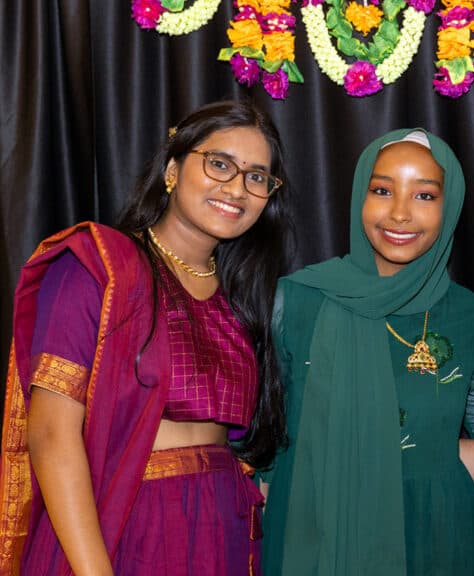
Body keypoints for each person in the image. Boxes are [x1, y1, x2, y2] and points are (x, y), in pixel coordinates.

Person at [0, 100, 290, 575]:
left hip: (227, 534)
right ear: (173, 169)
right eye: (219, 164)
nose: (236, 188)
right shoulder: (99, 267)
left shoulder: (241, 301)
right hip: (127, 528)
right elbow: (52, 434)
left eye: (256, 177)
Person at [261, 129, 474, 575]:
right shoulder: (297, 300)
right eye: (382, 190)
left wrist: (447, 450)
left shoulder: (473, 315)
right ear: (358, 195)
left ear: (451, 207)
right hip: (318, 527)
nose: (400, 213)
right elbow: (268, 430)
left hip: (435, 533)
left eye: (424, 196)